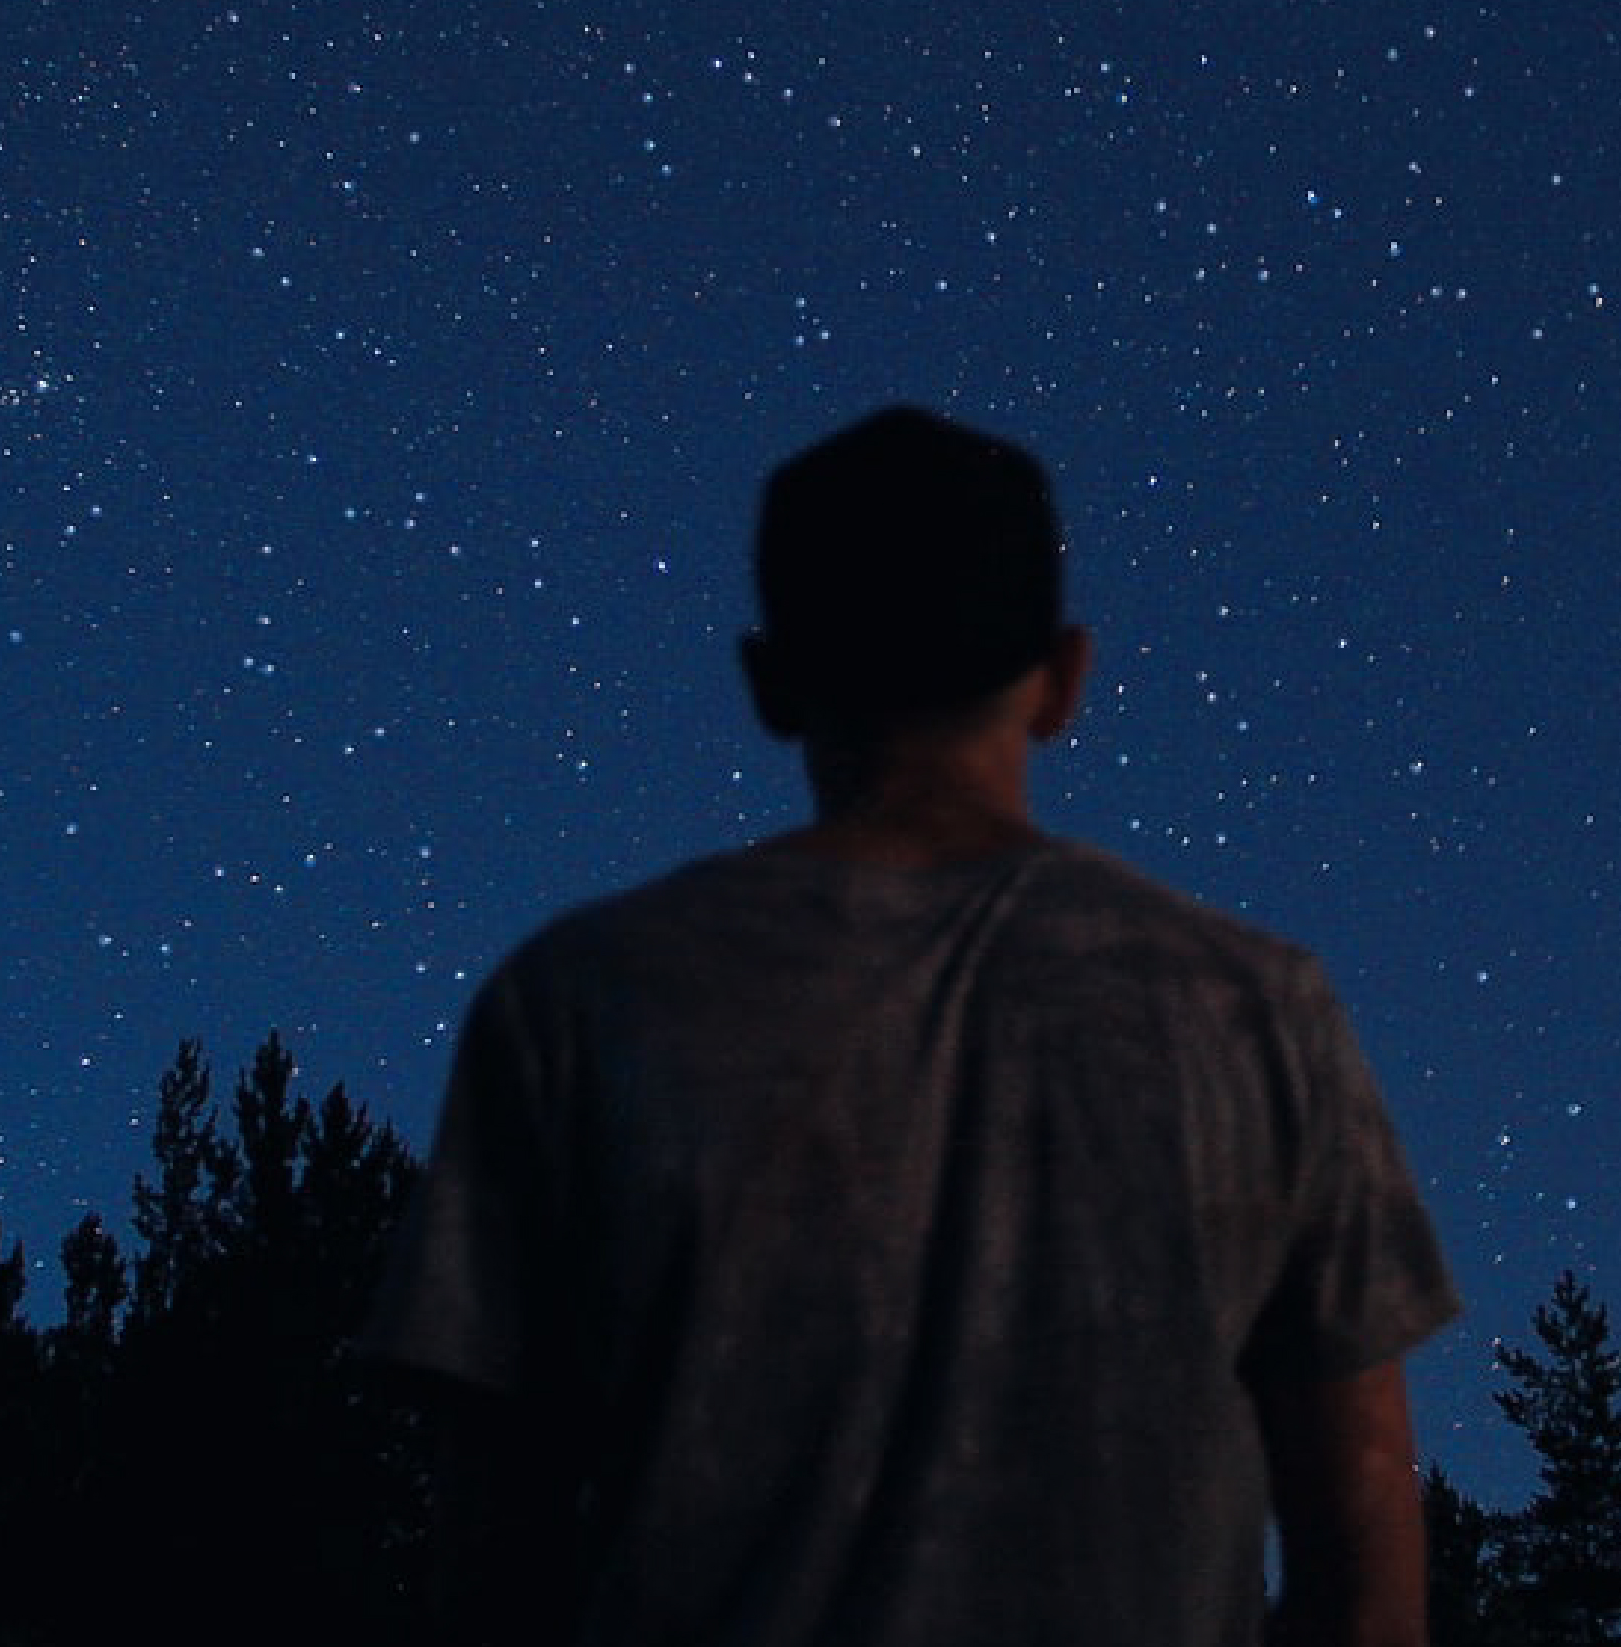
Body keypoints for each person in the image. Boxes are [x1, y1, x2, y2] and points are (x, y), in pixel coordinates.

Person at [368, 405, 1457, 1647]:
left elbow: (488, 1541)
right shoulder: (1258, 1010)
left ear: (769, 681)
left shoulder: (576, 1001)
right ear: (1062, 679)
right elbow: (1360, 1529)